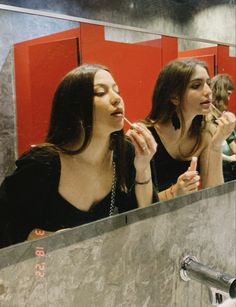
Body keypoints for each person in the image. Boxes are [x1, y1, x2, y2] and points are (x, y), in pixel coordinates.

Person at [0, 64, 157, 248]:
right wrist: (40, 237)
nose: (117, 99)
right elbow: (6, 225)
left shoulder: (127, 153)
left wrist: (143, 168)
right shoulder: (41, 164)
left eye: (117, 90)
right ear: (75, 108)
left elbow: (145, 222)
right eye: (100, 93)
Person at [128, 58, 235, 201]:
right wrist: (174, 192)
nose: (208, 91)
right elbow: (136, 208)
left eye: (208, 84)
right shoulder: (145, 137)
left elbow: (213, 195)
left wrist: (216, 145)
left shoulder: (205, 133)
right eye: (196, 85)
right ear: (174, 96)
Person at [210, 74, 236, 181]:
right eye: (228, 94)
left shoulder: (222, 113)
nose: (229, 98)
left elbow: (230, 140)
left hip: (227, 165)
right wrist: (229, 158)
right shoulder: (206, 116)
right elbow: (208, 149)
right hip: (215, 165)